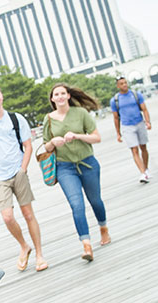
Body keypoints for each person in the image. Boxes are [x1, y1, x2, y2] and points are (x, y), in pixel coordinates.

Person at [0, 82, 48, 272]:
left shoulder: (16, 119)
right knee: (8, 218)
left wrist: (23, 169)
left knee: (28, 214)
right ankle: (24, 246)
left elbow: (28, 145)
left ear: (2, 96)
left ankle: (39, 255)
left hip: (18, 172)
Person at [42, 83, 110, 262]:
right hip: (65, 168)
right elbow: (45, 146)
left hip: (87, 163)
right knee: (76, 205)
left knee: (95, 201)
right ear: (52, 99)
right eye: (56, 94)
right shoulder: (48, 119)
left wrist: (77, 136)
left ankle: (103, 229)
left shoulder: (80, 113)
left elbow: (97, 137)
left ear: (68, 96)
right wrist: (53, 142)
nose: (60, 96)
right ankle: (86, 245)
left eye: (63, 93)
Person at [110, 76, 152, 184]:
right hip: (127, 126)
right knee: (134, 150)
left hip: (139, 123)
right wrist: (118, 133)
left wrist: (148, 122)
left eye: (125, 83)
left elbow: (144, 109)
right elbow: (116, 118)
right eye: (122, 83)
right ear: (118, 86)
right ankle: (142, 173)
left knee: (143, 147)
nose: (124, 85)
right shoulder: (115, 100)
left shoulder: (136, 95)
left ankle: (146, 168)